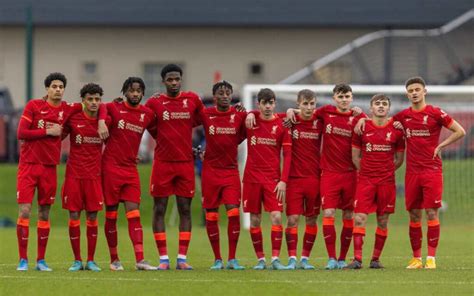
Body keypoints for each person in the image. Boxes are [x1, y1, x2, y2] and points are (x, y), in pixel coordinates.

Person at [15, 73, 105, 271]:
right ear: (47, 89)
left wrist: (102, 119)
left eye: (61, 86)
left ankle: (40, 260)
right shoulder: (33, 106)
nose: (57, 89)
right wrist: (47, 131)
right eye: (54, 86)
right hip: (29, 166)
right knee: (25, 211)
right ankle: (23, 260)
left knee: (44, 212)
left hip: (50, 168)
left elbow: (97, 104)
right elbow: (21, 133)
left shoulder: (68, 109)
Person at [394, 77, 465, 269]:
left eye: (417, 89)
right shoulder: (402, 116)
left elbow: (460, 131)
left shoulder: (435, 113)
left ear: (425, 91)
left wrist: (441, 145)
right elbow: (381, 125)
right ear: (407, 94)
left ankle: (431, 259)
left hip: (432, 170)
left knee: (432, 212)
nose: (414, 93)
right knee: (414, 215)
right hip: (412, 172)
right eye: (411, 90)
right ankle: (416, 259)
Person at [145, 64, 205, 270]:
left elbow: (206, 119)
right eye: (170, 80)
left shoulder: (192, 100)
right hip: (162, 163)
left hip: (185, 164)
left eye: (177, 79)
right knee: (159, 208)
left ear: (181, 79)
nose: (174, 83)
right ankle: (163, 259)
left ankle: (181, 258)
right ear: (164, 82)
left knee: (185, 209)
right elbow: (145, 122)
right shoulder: (154, 102)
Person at [99, 77, 157, 271]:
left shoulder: (147, 114)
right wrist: (101, 121)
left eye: (139, 91)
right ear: (125, 91)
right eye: (132, 90)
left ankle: (140, 259)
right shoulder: (113, 108)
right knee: (112, 216)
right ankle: (114, 259)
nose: (135, 94)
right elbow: (99, 107)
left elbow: (162, 130)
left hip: (130, 169)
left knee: (134, 213)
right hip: (111, 168)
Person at [346, 94, 405, 269]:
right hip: (366, 180)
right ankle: (357, 259)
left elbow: (399, 159)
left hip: (386, 182)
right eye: (377, 104)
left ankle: (375, 259)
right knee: (359, 217)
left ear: (388, 108)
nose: (381, 106)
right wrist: (367, 172)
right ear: (371, 108)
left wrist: (385, 172)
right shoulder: (362, 127)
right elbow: (355, 157)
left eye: (384, 104)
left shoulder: (397, 130)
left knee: (383, 220)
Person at [61, 83, 109, 272]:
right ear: (83, 101)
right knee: (73, 215)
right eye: (90, 99)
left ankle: (91, 260)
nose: (94, 102)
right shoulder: (74, 119)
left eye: (97, 99)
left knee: (92, 216)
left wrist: (102, 120)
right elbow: (58, 134)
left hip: (94, 177)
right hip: (73, 176)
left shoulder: (105, 121)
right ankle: (76, 260)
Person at [243, 88, 292, 270]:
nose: (268, 106)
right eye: (265, 103)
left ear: (275, 103)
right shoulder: (251, 122)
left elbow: (287, 155)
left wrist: (283, 180)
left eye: (271, 102)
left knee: (276, 217)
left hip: (273, 179)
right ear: (259, 104)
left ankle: (276, 259)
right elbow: (235, 112)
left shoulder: (282, 125)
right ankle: (261, 259)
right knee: (254, 220)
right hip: (251, 179)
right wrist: (249, 112)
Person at [199, 81, 246, 270]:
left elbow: (242, 136)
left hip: (230, 171)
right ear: (214, 96)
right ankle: (217, 259)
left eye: (228, 93)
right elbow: (185, 122)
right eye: (221, 93)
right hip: (210, 171)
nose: (225, 96)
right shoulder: (206, 113)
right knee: (211, 215)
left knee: (233, 212)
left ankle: (232, 259)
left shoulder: (240, 114)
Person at [283, 89, 322, 270]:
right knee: (292, 220)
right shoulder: (290, 120)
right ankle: (292, 258)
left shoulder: (320, 121)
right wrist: (290, 111)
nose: (308, 107)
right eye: (305, 104)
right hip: (294, 180)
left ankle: (305, 258)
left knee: (312, 219)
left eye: (312, 104)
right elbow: (266, 114)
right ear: (298, 104)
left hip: (315, 178)